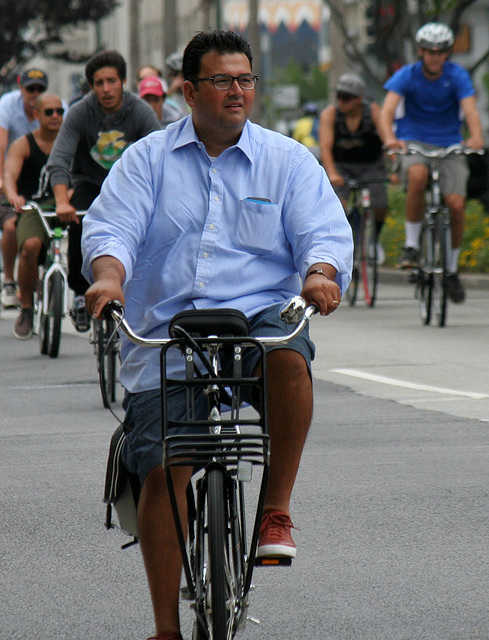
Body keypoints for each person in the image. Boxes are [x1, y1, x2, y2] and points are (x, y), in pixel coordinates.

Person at [82, 30, 352, 640]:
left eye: (245, 79)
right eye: (222, 80)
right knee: (165, 471)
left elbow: (323, 233)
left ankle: (275, 514)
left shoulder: (286, 160)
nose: (237, 91)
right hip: (166, 326)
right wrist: (107, 279)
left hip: (256, 315)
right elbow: (111, 232)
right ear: (188, 90)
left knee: (287, 357)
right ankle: (164, 627)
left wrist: (320, 274)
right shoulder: (146, 160)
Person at [46, 49, 160, 332]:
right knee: (78, 222)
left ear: (123, 81)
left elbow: (161, 159)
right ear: (92, 87)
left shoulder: (140, 112)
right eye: (99, 83)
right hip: (90, 186)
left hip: (131, 188)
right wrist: (62, 201)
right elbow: (58, 160)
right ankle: (80, 293)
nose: (106, 89)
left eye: (111, 81)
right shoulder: (80, 113)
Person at [381, 22, 484, 302]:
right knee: (417, 176)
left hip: (450, 143)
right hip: (413, 140)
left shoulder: (457, 75)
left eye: (440, 52)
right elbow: (387, 111)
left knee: (456, 204)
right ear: (421, 52)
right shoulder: (407, 75)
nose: (435, 56)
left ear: (447, 53)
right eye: (430, 51)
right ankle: (412, 246)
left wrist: (475, 137)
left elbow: (470, 111)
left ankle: (451, 269)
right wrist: (390, 138)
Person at [3, 94, 64, 339]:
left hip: (65, 205)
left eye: (59, 111)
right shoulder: (23, 144)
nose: (55, 116)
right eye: (49, 112)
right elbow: (9, 175)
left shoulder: (71, 141)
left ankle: (82, 298)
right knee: (30, 246)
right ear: (36, 115)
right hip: (34, 206)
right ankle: (26, 307)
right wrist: (13, 196)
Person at [319, 73, 388, 262]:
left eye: (347, 98)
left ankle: (374, 240)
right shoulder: (329, 115)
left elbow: (386, 138)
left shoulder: (373, 111)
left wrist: (393, 166)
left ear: (359, 99)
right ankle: (341, 243)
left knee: (380, 203)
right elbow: (325, 147)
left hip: (371, 165)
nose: (341, 102)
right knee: (338, 205)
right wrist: (332, 173)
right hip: (342, 166)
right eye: (339, 96)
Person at [0, 68, 49, 308]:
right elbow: (1, 142)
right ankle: (9, 281)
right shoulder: (7, 105)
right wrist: (2, 181)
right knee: (11, 227)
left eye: (40, 89)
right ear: (21, 88)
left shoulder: (53, 109)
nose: (35, 93)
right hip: (14, 183)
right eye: (31, 88)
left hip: (43, 184)